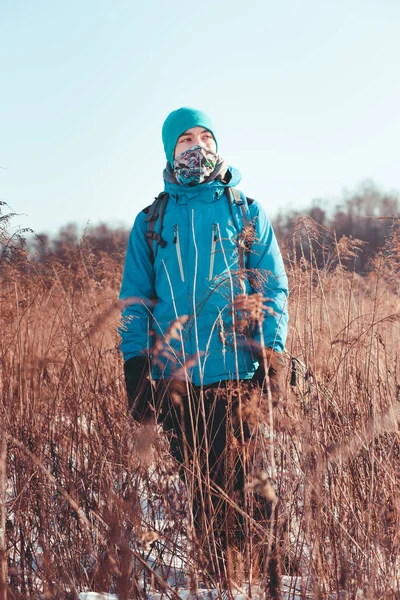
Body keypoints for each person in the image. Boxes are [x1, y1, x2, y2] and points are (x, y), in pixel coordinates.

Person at [119, 107, 289, 576]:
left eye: (204, 137)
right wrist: (135, 365)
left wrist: (272, 353)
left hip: (239, 372)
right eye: (185, 141)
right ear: (170, 151)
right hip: (178, 382)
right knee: (204, 489)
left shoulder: (244, 211)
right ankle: (221, 577)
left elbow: (272, 288)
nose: (197, 147)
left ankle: (263, 574)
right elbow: (134, 301)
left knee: (249, 482)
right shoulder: (151, 221)